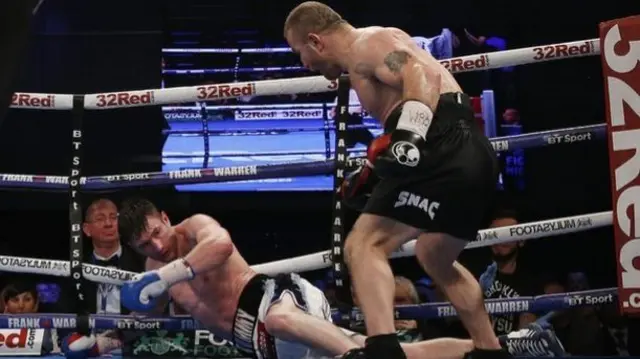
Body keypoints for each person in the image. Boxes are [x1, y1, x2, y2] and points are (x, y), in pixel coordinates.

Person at [61, 198, 564, 359]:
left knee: (282, 318)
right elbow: (141, 322)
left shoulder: (192, 234)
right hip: (259, 342)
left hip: (277, 302)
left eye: (155, 233)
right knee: (395, 352)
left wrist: (170, 269)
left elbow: (223, 247)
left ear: (164, 218)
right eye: (145, 246)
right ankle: (504, 347)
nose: (155, 246)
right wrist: (96, 344)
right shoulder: (154, 274)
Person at [284, 2, 502, 359]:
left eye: (299, 52)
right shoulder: (371, 49)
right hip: (471, 151)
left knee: (364, 245)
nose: (303, 64)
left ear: (315, 40)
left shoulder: (366, 44)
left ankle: (383, 350)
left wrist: (410, 135)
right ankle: (491, 351)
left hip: (438, 141)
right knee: (434, 255)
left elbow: (422, 75)